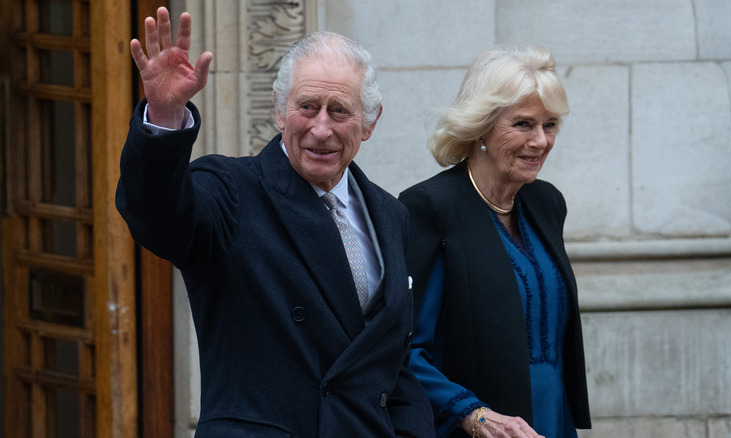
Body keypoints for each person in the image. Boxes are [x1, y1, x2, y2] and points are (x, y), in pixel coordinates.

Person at [116, 7, 434, 437]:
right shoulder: (231, 190)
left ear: (369, 123)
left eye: (339, 110)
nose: (321, 129)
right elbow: (155, 215)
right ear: (280, 111)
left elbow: (391, 363)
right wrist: (166, 119)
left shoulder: (390, 214)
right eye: (307, 106)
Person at [398, 46, 591, 438]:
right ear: (481, 127)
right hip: (477, 427)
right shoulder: (431, 208)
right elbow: (405, 349)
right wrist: (474, 415)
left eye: (549, 124)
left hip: (553, 417)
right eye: (523, 124)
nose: (540, 141)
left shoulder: (546, 202)